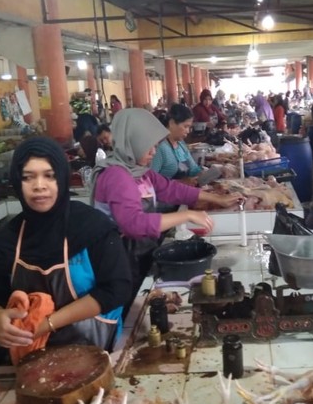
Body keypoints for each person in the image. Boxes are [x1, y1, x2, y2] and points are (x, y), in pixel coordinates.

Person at [0, 137, 132, 355]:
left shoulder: (92, 227)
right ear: (16, 182)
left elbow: (117, 289)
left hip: (94, 352)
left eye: (49, 176)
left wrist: (47, 324)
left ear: (61, 178)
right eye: (28, 177)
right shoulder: (8, 240)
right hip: (28, 359)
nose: (39, 186)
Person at [92, 109, 242, 302]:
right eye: (149, 147)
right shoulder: (117, 176)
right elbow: (133, 224)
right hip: (120, 259)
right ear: (132, 142)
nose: (154, 152)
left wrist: (217, 199)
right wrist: (186, 216)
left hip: (139, 253)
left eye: (155, 146)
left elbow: (171, 189)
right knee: (128, 311)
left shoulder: (139, 171)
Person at [151, 104, 203, 181]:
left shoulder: (181, 143)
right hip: (167, 192)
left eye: (189, 127)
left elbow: (193, 169)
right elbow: (150, 181)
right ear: (172, 123)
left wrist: (214, 172)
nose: (188, 131)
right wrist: (181, 182)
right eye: (185, 126)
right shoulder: (160, 147)